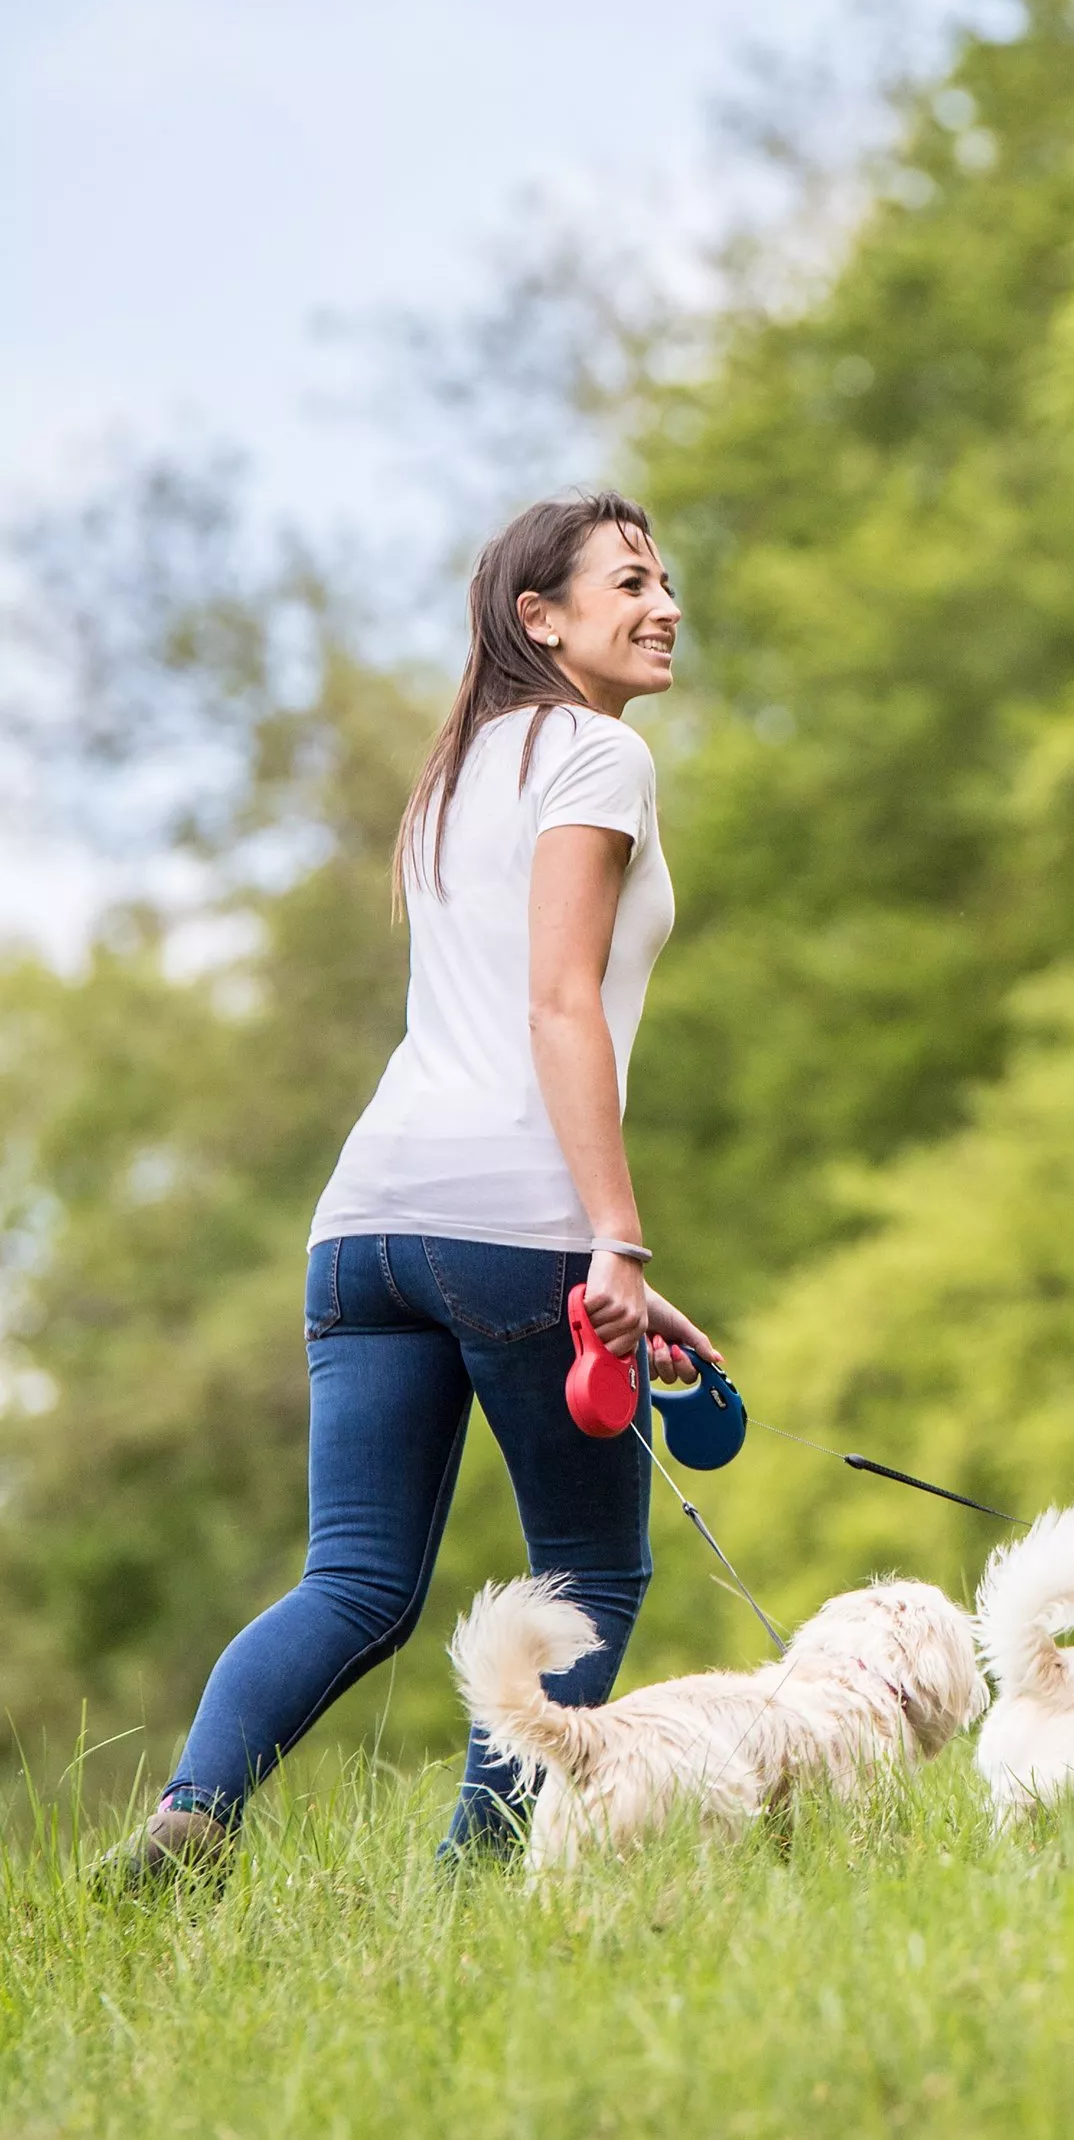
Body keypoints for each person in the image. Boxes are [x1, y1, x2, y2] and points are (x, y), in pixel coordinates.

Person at [116, 492, 720, 1880]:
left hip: (366, 1225)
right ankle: (474, 1881)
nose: (665, 604)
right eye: (628, 582)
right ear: (540, 619)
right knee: (590, 1580)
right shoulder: (595, 759)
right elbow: (558, 1007)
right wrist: (607, 1237)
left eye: (667, 579)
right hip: (515, 1220)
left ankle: (191, 1817)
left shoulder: (464, 766)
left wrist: (612, 1259)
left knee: (356, 1584)